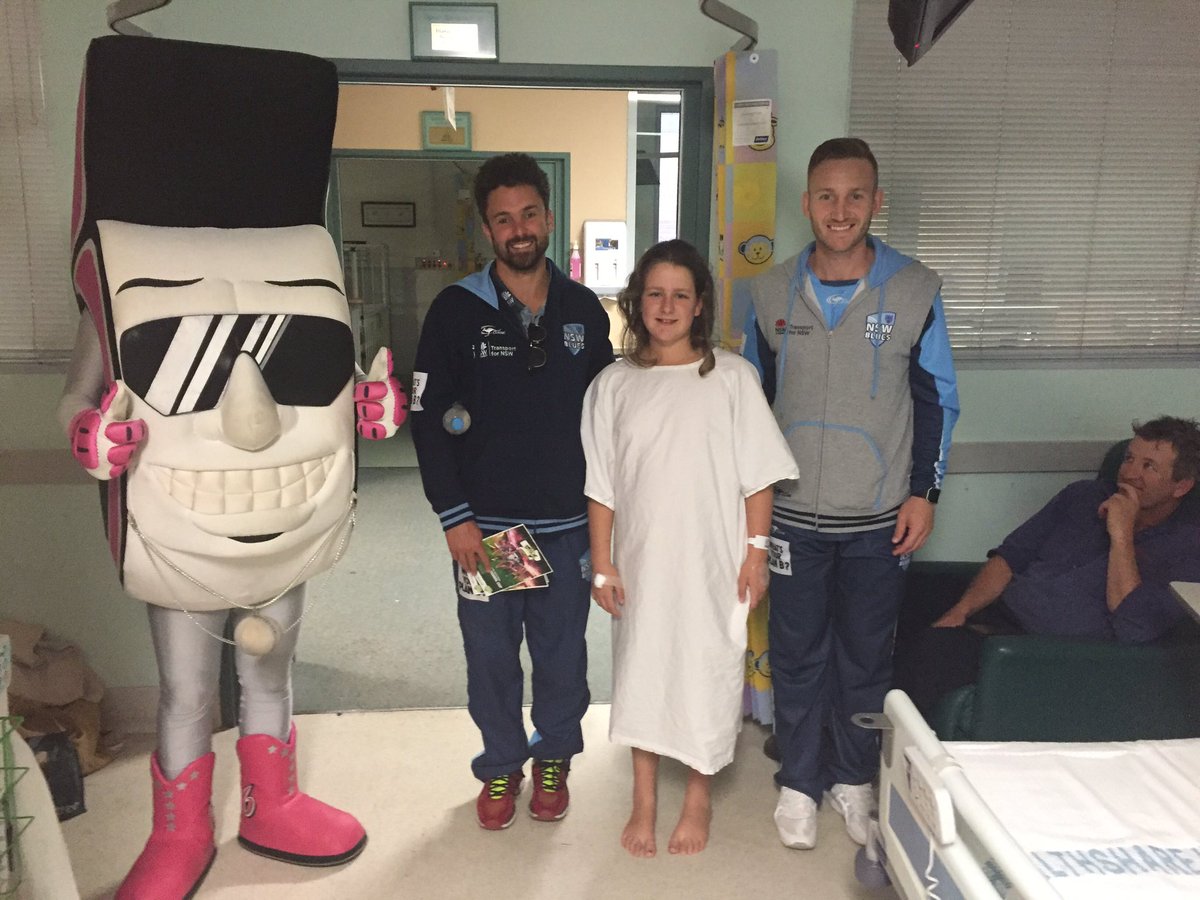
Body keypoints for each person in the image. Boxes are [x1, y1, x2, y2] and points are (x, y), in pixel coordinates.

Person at [742, 137, 960, 850]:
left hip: (878, 520)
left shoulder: (915, 289)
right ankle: (800, 784)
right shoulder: (770, 291)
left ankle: (853, 779)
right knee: (798, 654)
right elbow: (749, 405)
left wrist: (924, 491)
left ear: (876, 202)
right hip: (793, 520)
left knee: (866, 656)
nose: (841, 211)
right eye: (827, 197)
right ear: (806, 204)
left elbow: (937, 400)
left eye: (855, 196)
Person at [409, 152, 614, 831]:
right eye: (504, 219)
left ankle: (553, 756)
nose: (519, 228)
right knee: (493, 661)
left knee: (562, 660)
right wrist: (455, 516)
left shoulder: (584, 309)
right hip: (492, 530)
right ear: (487, 229)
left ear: (548, 218)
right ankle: (500, 766)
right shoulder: (456, 311)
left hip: (564, 524)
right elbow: (427, 418)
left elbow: (612, 418)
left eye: (529, 214)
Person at [582, 240, 798, 857]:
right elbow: (601, 485)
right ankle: (644, 796)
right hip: (642, 559)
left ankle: (698, 794)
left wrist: (756, 552)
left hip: (713, 558)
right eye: (655, 293)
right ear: (636, 301)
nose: (667, 306)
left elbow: (758, 475)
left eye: (681, 295)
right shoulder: (613, 386)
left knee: (707, 667)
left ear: (700, 304)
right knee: (643, 669)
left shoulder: (732, 378)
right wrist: (602, 564)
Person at [893, 416, 1200, 718]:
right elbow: (1011, 557)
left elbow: (1134, 624)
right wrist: (961, 611)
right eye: (1129, 459)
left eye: (1149, 467)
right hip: (1006, 613)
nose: (1130, 473)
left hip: (1054, 651)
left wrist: (1121, 533)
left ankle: (909, 755)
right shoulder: (1083, 496)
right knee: (902, 595)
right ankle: (868, 734)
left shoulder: (1186, 547)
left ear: (1181, 486)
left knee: (935, 650)